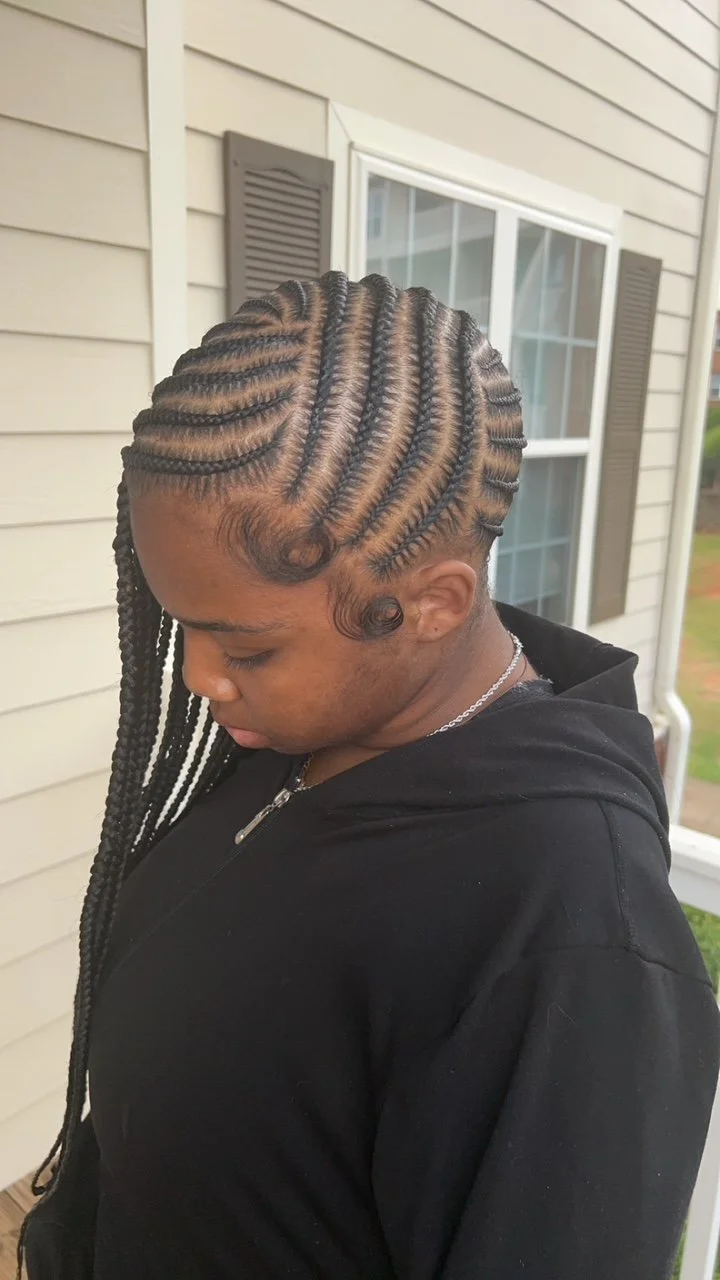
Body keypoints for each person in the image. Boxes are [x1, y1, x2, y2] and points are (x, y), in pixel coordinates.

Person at [21, 273, 719, 1279]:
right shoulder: (306, 732)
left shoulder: (569, 933)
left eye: (246, 647)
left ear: (434, 602)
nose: (201, 676)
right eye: (185, 627)